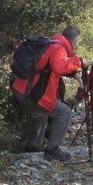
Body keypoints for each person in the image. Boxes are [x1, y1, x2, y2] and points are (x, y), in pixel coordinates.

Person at [12, 25, 84, 162]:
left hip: (22, 89)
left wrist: (76, 75)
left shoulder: (52, 41)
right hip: (33, 92)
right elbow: (59, 67)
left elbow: (52, 65)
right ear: (74, 41)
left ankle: (33, 147)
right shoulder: (59, 48)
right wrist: (79, 61)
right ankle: (52, 149)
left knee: (39, 114)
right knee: (64, 112)